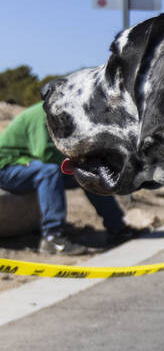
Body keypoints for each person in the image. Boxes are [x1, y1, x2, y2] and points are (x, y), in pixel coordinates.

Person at [0, 101, 136, 255]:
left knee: (88, 173)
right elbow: (45, 154)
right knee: (48, 171)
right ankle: (52, 237)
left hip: (30, 166)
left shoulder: (63, 116)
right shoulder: (42, 116)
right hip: (7, 167)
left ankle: (118, 228)